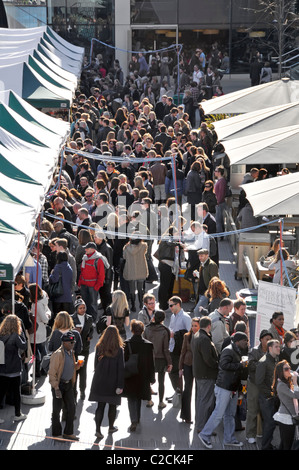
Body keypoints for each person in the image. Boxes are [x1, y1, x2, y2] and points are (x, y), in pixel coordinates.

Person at [198, 332, 249, 449]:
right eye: (244, 340)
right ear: (237, 341)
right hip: (224, 387)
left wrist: (240, 388)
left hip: (232, 388)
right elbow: (223, 365)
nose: (246, 343)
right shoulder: (229, 350)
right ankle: (205, 435)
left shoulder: (236, 351)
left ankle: (229, 439)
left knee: (230, 414)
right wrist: (240, 365)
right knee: (219, 414)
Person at [89, 325, 125, 439]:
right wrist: (120, 385)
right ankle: (111, 426)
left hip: (100, 380)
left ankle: (97, 430)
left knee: (100, 406)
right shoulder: (119, 350)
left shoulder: (99, 347)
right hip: (113, 382)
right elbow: (121, 368)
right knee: (112, 406)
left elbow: (95, 364)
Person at [48, 330, 83, 440]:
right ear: (64, 342)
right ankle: (56, 434)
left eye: (74, 343)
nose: (73, 345)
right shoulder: (57, 354)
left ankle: (68, 432)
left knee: (71, 408)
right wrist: (56, 387)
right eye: (70, 343)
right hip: (59, 385)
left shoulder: (71, 352)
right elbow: (52, 372)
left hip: (68, 385)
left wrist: (77, 365)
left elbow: (71, 367)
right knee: (57, 410)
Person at [123, 320, 155, 432]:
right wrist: (152, 378)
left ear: (131, 330)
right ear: (142, 331)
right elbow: (151, 363)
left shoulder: (127, 344)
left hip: (130, 375)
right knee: (139, 397)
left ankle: (133, 420)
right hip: (143, 376)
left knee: (131, 399)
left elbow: (124, 361)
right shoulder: (148, 345)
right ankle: (137, 418)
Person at [245, 329, 273, 444]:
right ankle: (250, 435)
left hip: (266, 385)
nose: (269, 341)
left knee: (265, 409)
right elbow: (250, 365)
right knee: (252, 409)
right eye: (267, 339)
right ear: (261, 340)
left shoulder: (272, 351)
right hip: (254, 384)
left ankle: (261, 432)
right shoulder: (254, 351)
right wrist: (264, 366)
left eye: (270, 339)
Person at [192, 316, 219, 434]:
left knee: (201, 400)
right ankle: (203, 427)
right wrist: (217, 365)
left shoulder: (197, 336)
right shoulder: (204, 339)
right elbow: (208, 359)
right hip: (206, 374)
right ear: (209, 326)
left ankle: (200, 424)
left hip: (199, 373)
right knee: (206, 401)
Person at [0, 315, 28, 423]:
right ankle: (17, 414)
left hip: (2, 369)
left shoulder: (1, 335)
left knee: (1, 392)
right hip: (14, 369)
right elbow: (24, 346)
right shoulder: (16, 336)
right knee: (16, 393)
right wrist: (23, 335)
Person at [143, 309, 172, 409]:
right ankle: (160, 402)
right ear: (163, 319)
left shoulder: (147, 329)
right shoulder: (165, 331)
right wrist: (169, 362)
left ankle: (149, 400)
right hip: (161, 359)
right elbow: (165, 349)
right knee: (161, 381)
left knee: (147, 380)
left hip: (149, 358)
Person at [255, 338, 281, 450]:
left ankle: (268, 445)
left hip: (273, 397)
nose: (279, 348)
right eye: (277, 346)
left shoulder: (275, 360)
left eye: (279, 346)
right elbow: (259, 382)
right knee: (269, 423)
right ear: (270, 348)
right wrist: (270, 393)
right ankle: (265, 447)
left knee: (271, 424)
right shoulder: (263, 361)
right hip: (266, 398)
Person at [167, 296, 192, 399]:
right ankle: (177, 391)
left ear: (178, 304)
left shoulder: (185, 317)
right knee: (172, 371)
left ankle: (179, 393)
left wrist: (175, 335)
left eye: (171, 305)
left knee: (177, 371)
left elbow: (190, 333)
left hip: (180, 349)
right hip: (172, 347)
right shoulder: (173, 316)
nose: (170, 308)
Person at [272, 360, 299, 450]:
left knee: (284, 444)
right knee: (287, 444)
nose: (289, 370)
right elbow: (296, 395)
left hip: (287, 417)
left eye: (289, 368)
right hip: (286, 418)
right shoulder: (281, 385)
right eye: (286, 369)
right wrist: (295, 383)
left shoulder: (286, 383)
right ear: (281, 372)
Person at [71, 298, 94, 400]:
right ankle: (73, 389)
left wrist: (90, 336)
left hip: (84, 348)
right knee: (74, 370)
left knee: (83, 369)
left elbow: (92, 329)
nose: (83, 310)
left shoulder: (89, 318)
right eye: (80, 308)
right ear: (76, 309)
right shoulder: (71, 318)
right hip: (74, 349)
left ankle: (82, 390)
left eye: (84, 308)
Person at [78, 241, 105, 323]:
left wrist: (97, 286)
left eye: (87, 248)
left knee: (93, 304)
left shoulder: (98, 260)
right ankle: (86, 319)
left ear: (92, 249)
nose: (85, 249)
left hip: (93, 286)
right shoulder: (85, 258)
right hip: (84, 285)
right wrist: (80, 282)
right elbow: (82, 272)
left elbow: (101, 275)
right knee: (85, 303)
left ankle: (93, 320)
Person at [179, 317, 200, 424]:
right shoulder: (187, 336)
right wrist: (180, 368)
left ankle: (199, 418)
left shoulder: (203, 337)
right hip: (188, 364)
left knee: (198, 391)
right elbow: (182, 352)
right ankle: (186, 416)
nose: (193, 327)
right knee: (187, 390)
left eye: (195, 325)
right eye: (192, 325)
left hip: (199, 366)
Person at [28, 283, 51, 377]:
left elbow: (44, 318)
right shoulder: (42, 300)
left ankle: (39, 371)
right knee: (42, 351)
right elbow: (48, 311)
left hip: (37, 330)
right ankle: (43, 369)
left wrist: (47, 317)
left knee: (37, 352)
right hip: (40, 330)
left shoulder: (38, 304)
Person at [122, 233, 148, 312]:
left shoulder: (126, 247)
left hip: (130, 270)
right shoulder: (144, 246)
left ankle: (133, 305)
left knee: (132, 289)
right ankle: (141, 304)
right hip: (141, 270)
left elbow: (124, 257)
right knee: (140, 289)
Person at [193, 249, 219, 316]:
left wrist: (210, 292)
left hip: (206, 292)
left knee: (197, 311)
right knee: (202, 312)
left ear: (207, 255)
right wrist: (198, 274)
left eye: (202, 256)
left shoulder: (211, 265)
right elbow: (205, 276)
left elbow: (214, 280)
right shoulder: (203, 263)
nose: (200, 258)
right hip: (202, 292)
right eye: (199, 256)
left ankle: (200, 325)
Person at [48, 251, 74, 321]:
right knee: (66, 318)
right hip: (67, 296)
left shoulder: (58, 267)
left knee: (58, 317)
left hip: (58, 296)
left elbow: (54, 279)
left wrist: (50, 275)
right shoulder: (69, 268)